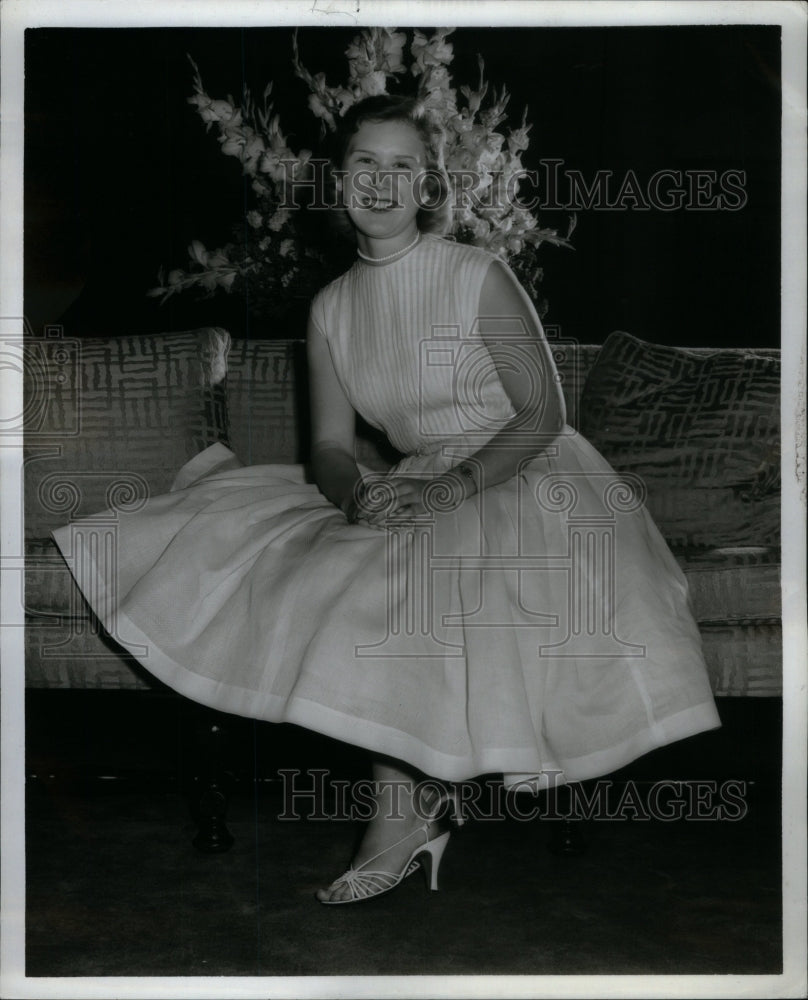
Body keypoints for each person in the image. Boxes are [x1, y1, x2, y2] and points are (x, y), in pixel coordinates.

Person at [52, 94, 721, 905]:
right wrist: (356, 498)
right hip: (418, 477)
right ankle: (413, 808)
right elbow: (331, 450)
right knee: (321, 553)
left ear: (427, 184)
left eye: (401, 166)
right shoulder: (331, 308)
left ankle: (404, 811)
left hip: (525, 471)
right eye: (365, 162)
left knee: (417, 570)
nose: (380, 181)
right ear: (338, 179)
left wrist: (451, 487)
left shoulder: (474, 272)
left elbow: (544, 412)